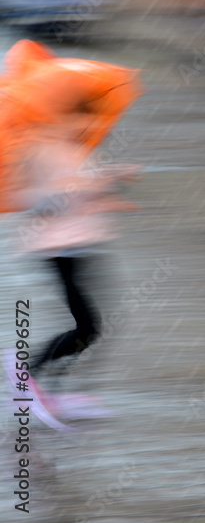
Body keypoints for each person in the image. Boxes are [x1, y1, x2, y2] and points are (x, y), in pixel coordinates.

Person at [2, 101, 139, 425]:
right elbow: (35, 200)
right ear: (63, 116)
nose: (88, 127)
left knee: (90, 329)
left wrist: (110, 194)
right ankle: (27, 374)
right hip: (58, 249)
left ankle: (50, 390)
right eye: (82, 119)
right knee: (88, 326)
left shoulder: (75, 148)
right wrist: (95, 184)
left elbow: (79, 195)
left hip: (84, 245)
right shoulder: (37, 148)